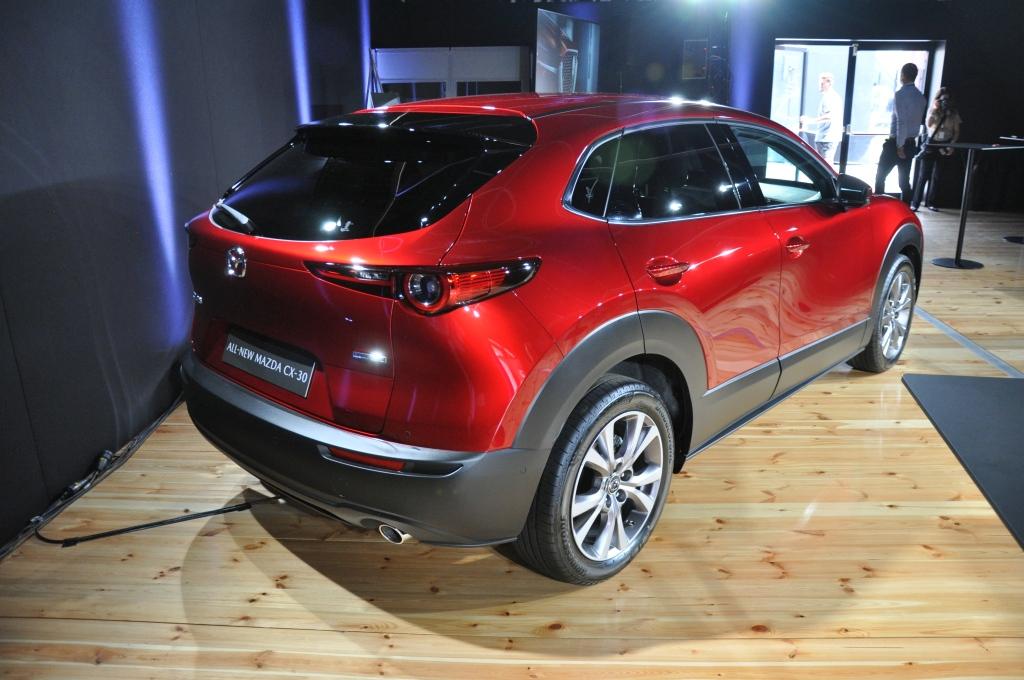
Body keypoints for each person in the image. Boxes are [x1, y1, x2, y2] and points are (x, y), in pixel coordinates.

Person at [874, 63, 928, 203]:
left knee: (880, 177)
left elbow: (901, 122)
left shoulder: (900, 95)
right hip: (910, 143)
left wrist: (899, 146)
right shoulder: (921, 98)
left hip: (896, 144)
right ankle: (906, 209)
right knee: (904, 182)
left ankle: (880, 208)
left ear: (902, 75)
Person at [911, 87, 962, 211]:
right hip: (932, 144)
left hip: (944, 144)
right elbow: (928, 124)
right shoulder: (933, 109)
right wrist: (935, 110)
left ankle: (931, 202)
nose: (945, 102)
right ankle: (915, 203)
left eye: (947, 99)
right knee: (923, 175)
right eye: (942, 99)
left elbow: (956, 131)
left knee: (938, 176)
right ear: (938, 100)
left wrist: (951, 145)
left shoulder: (953, 113)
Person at [801, 72, 843, 166]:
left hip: (827, 138)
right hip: (825, 138)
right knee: (823, 165)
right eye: (820, 83)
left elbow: (829, 116)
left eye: (822, 83)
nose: (820, 85)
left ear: (829, 83)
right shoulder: (829, 97)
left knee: (826, 166)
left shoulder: (830, 97)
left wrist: (810, 121)